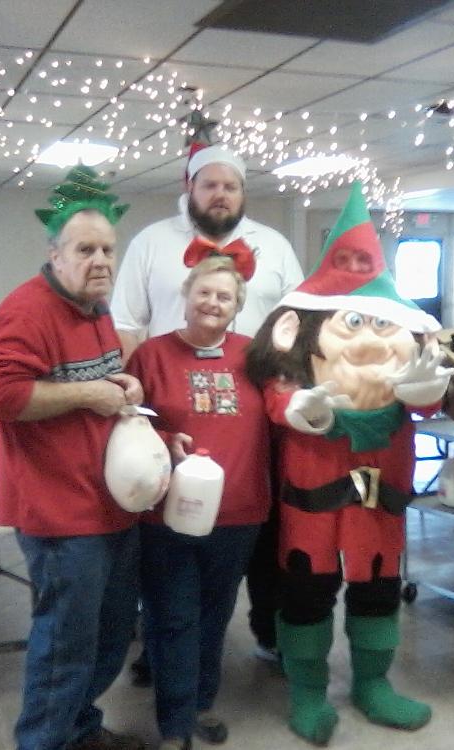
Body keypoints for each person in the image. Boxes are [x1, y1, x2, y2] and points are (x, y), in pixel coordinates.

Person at [245, 182, 452, 746]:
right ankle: (308, 692)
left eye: (381, 324)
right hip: (311, 501)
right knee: (306, 595)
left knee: (378, 590)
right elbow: (274, 394)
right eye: (354, 324)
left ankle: (372, 684)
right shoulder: (293, 350)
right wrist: (296, 407)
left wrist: (428, 393)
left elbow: (429, 400)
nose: (369, 339)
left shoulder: (409, 354)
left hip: (380, 502)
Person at [0, 166, 146, 750]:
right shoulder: (28, 310)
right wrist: (88, 394)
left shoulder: (97, 310)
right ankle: (44, 740)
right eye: (85, 249)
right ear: (55, 254)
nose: (100, 261)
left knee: (111, 635)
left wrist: (121, 385)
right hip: (60, 515)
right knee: (66, 647)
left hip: (108, 505)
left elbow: (90, 381)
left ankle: (79, 730)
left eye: (108, 250)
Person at [112, 143, 303, 664]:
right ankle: (162, 652)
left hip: (253, 417)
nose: (221, 195)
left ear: (243, 192)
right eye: (210, 185)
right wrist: (134, 407)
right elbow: (127, 325)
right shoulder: (151, 243)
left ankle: (265, 633)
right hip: (173, 411)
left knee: (255, 536)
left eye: (231, 186)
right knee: (168, 546)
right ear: (189, 188)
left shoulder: (275, 247)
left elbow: (297, 327)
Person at [124, 254, 271, 750]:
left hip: (238, 513)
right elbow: (127, 422)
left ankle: (200, 702)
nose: (213, 302)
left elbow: (285, 409)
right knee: (172, 615)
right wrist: (165, 439)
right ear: (186, 296)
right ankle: (175, 725)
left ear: (237, 306)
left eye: (224, 296)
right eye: (204, 292)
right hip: (168, 513)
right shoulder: (151, 356)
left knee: (214, 614)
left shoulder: (255, 357)